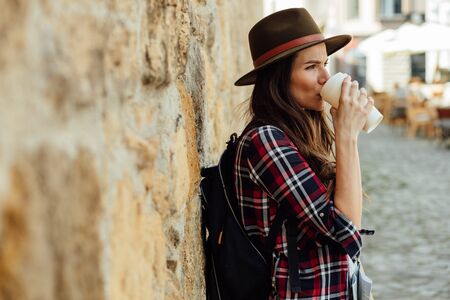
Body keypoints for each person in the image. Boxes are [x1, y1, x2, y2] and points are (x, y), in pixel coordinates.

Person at [233, 8, 374, 299]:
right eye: (311, 67)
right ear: (279, 78)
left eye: (325, 63)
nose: (326, 76)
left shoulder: (299, 133)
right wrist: (346, 136)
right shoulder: (266, 140)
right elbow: (347, 231)